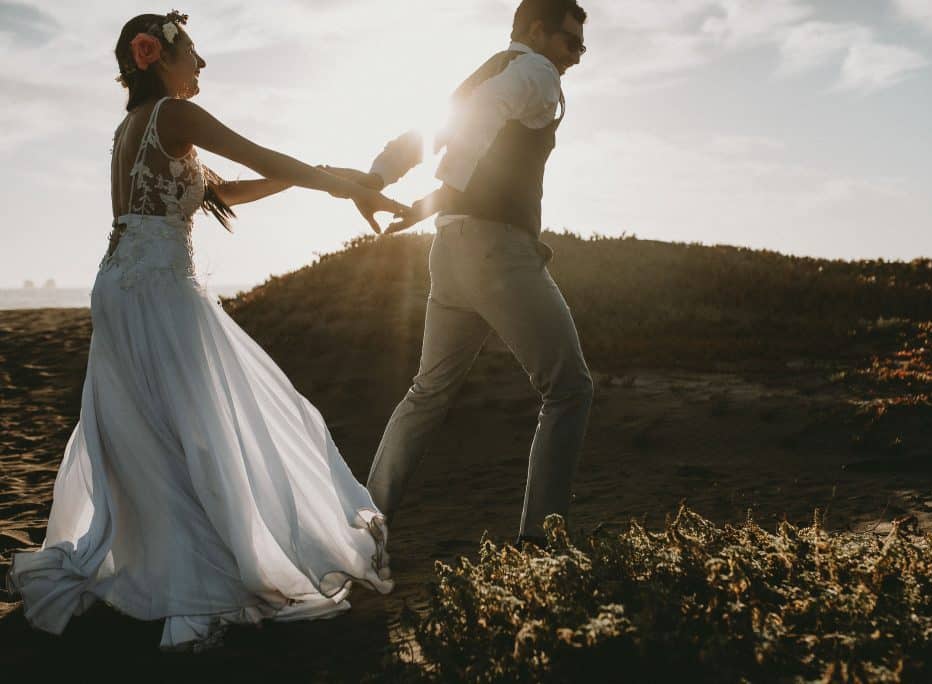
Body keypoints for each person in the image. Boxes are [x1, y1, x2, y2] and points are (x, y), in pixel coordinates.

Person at [6, 11, 406, 651]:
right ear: (156, 57)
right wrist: (340, 186)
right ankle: (193, 582)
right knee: (197, 423)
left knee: (156, 428)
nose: (201, 63)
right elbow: (261, 154)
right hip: (159, 290)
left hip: (124, 286)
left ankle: (160, 566)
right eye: (192, 50)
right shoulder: (173, 115)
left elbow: (228, 190)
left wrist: (335, 176)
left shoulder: (134, 127)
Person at [326, 0, 592, 549]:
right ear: (537, 33)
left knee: (427, 393)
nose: (577, 58)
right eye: (572, 43)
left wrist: (380, 177)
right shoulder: (535, 72)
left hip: (450, 250)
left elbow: (435, 126)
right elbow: (477, 124)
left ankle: (365, 530)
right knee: (569, 389)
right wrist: (441, 192)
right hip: (498, 250)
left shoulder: (487, 68)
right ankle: (542, 544)